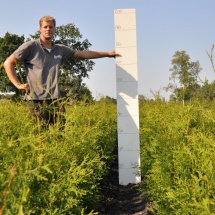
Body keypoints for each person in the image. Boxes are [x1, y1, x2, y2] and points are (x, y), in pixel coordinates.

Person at [4, 15, 120, 125]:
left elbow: (84, 54)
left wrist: (107, 54)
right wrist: (18, 84)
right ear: (40, 29)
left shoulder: (60, 49)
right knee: (39, 137)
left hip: (55, 101)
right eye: (45, 27)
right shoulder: (30, 46)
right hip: (36, 100)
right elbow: (8, 62)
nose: (48, 29)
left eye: (51, 27)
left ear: (55, 29)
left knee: (58, 136)